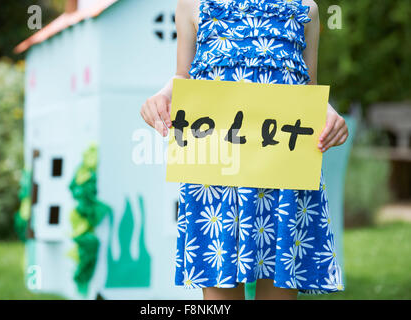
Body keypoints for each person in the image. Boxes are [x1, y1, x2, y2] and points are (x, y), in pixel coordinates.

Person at [140, 0, 348, 300]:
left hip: (283, 169)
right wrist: (161, 96)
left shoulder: (306, 10)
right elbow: (183, 76)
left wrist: (329, 114)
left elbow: (309, 89)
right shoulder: (191, 5)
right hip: (216, 170)